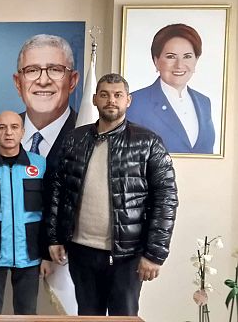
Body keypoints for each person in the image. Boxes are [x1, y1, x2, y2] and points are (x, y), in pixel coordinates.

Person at [46, 73, 178, 316]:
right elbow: (57, 191)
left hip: (127, 255)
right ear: (94, 99)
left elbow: (166, 199)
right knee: (87, 316)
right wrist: (54, 238)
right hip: (81, 251)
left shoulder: (148, 142)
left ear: (128, 100)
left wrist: (155, 254)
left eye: (118, 95)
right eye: (104, 95)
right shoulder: (74, 140)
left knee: (123, 317)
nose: (111, 101)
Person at [0, 111, 52, 315]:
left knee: (27, 313)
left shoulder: (40, 164)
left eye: (14, 127)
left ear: (23, 132)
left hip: (30, 254)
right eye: (2, 127)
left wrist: (46, 254)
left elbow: (49, 212)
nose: (8, 132)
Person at [0, 34, 80, 174]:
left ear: (72, 81)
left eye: (55, 69)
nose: (43, 81)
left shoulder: (87, 135)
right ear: (18, 83)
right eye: (32, 70)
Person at [126, 23, 215, 154]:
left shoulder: (204, 102)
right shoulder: (136, 102)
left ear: (196, 60)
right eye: (171, 56)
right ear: (156, 61)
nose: (179, 65)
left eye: (187, 56)